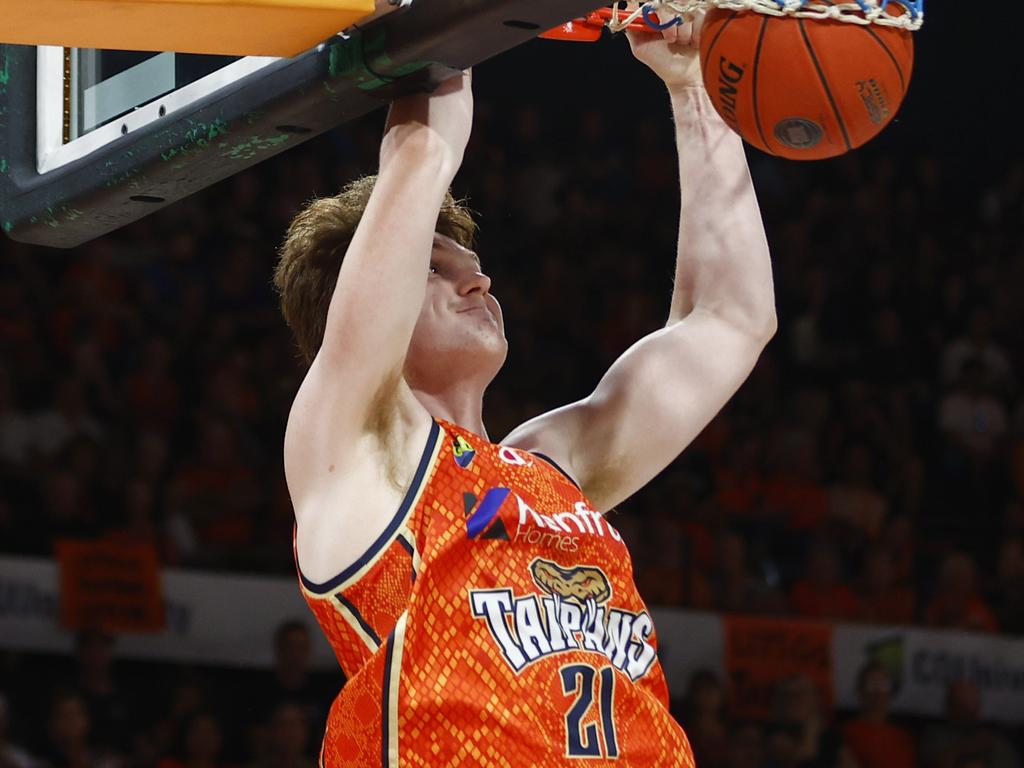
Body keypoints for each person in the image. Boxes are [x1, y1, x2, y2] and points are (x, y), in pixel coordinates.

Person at [273, 12, 776, 767]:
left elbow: (730, 319)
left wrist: (695, 86)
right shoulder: (353, 453)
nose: (477, 276)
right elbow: (422, 148)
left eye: (471, 262)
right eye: (435, 267)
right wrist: (461, 21)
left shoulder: (552, 469)